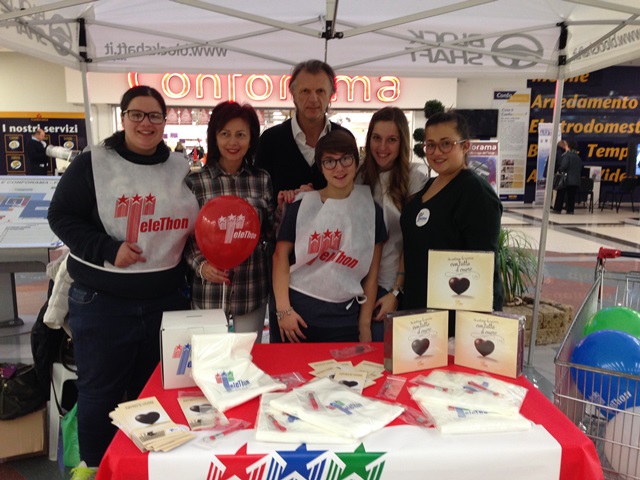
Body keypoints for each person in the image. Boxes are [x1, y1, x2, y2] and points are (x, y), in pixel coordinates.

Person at [47, 85, 199, 476]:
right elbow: (60, 216)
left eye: (155, 116)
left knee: (154, 394)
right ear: (124, 117)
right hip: (103, 302)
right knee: (101, 395)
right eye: (137, 114)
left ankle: (143, 468)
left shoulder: (179, 166)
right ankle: (96, 469)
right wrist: (107, 248)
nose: (146, 123)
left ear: (164, 121)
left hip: (166, 303)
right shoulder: (94, 163)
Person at [271, 129, 386, 344]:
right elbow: (280, 257)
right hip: (296, 317)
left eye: (346, 159)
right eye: (329, 161)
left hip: (344, 320)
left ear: (356, 161)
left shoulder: (372, 211)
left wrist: (364, 325)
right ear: (321, 167)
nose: (339, 168)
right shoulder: (301, 206)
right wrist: (283, 310)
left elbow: (372, 273)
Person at [400, 111, 504, 336]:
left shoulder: (475, 192)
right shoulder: (430, 185)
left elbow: (483, 267)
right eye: (430, 145)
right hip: (420, 311)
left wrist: (474, 328)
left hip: (453, 319)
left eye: (446, 144)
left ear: (465, 146)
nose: (436, 152)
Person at [184, 101, 275, 342]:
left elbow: (268, 231)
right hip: (209, 291)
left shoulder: (262, 180)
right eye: (225, 134)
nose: (233, 142)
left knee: (248, 356)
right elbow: (185, 237)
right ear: (214, 138)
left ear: (251, 139)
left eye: (240, 135)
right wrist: (201, 266)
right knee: (208, 357)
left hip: (251, 288)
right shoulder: (196, 182)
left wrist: (286, 208)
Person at [356, 107, 426, 340]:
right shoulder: (357, 174)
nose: (382, 147)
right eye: (377, 138)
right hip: (356, 283)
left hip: (392, 284)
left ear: (402, 142)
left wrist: (396, 291)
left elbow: (413, 240)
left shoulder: (414, 177)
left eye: (391, 140)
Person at [255, 59, 348, 205]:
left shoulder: (344, 140)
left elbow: (350, 195)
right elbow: (261, 201)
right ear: (293, 94)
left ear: (331, 95)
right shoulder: (270, 141)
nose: (313, 99)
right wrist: (280, 209)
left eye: (320, 91)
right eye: (305, 91)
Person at [552, 140, 582, 214]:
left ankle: (557, 209)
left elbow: (563, 166)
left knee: (561, 194)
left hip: (566, 179)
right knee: (571, 196)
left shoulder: (567, 156)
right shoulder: (578, 157)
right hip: (575, 180)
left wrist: (559, 171)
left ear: (568, 147)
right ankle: (570, 210)